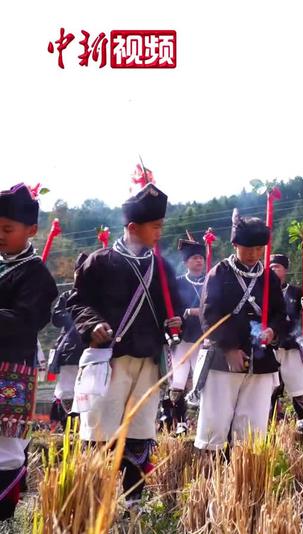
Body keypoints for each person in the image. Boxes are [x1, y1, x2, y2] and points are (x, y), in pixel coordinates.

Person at [68, 183, 184, 504]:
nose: (160, 232)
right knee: (102, 431)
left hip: (148, 360)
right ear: (134, 227)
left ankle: (134, 502)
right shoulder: (99, 261)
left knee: (141, 430)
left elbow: (172, 307)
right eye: (155, 227)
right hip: (110, 359)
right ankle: (93, 502)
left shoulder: (161, 267)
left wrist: (177, 321)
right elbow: (78, 303)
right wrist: (93, 324)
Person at [192, 211, 288, 452]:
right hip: (223, 359)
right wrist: (229, 349)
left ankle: (244, 478)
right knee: (216, 420)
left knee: (253, 426)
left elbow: (280, 313)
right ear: (235, 245)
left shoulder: (269, 278)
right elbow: (209, 314)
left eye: (259, 249)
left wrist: (272, 331)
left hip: (261, 359)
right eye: (248, 249)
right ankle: (211, 479)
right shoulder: (219, 273)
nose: (254, 254)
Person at [0, 183, 58, 519]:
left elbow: (25, 320)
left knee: (5, 449)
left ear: (31, 230)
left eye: (7, 229)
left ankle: (5, 519)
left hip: (11, 372)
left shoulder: (37, 275)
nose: (0, 235)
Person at [268, 253, 303, 433]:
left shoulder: (296, 292)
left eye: (277, 267)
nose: (274, 270)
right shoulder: (263, 291)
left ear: (285, 270)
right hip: (271, 345)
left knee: (297, 384)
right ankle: (270, 423)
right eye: (271, 267)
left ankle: (301, 420)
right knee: (271, 385)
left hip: (292, 343)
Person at [164, 236, 205, 435]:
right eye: (195, 258)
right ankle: (179, 423)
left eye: (201, 258)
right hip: (182, 338)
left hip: (205, 339)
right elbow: (170, 309)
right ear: (186, 262)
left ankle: (204, 422)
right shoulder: (177, 283)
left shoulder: (211, 282)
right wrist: (186, 313)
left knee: (203, 381)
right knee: (178, 382)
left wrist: (200, 312)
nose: (199, 261)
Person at [47, 253, 88, 430]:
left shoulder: (98, 297)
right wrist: (76, 316)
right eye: (78, 272)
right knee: (67, 390)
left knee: (89, 391)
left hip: (91, 349)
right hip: (69, 350)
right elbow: (56, 317)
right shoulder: (67, 296)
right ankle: (68, 426)